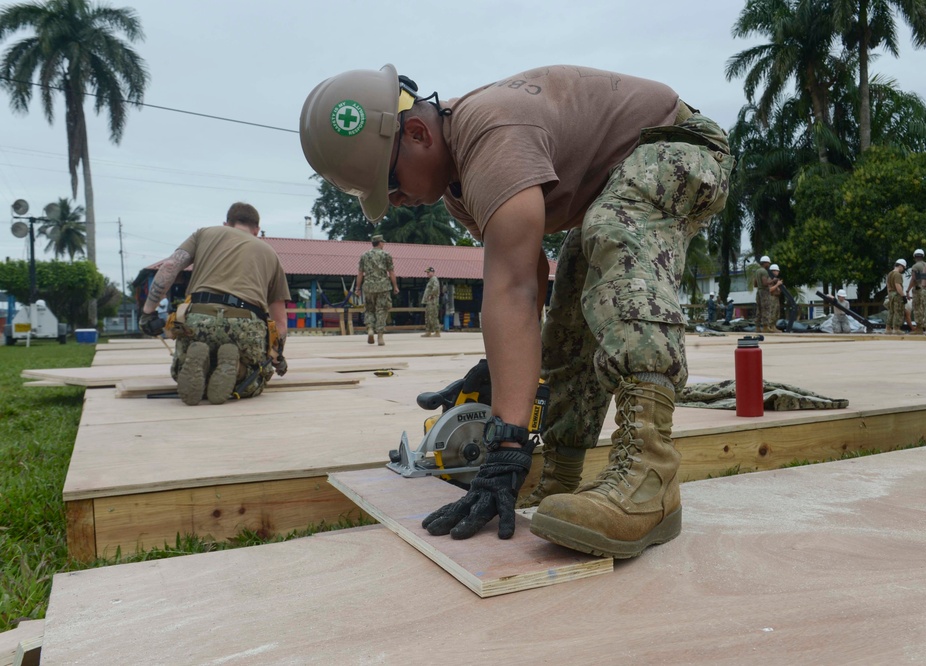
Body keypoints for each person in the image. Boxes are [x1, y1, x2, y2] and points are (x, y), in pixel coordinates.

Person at [300, 64, 733, 559]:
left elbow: (515, 290)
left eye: (391, 182)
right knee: (572, 309)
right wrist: (504, 373)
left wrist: (507, 444)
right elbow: (527, 280)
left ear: (418, 132)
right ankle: (561, 475)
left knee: (616, 234)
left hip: (681, 146)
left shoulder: (491, 135)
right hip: (620, 174)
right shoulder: (460, 187)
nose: (396, 201)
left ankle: (649, 475)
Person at [138, 203, 290, 406]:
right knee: (256, 378)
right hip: (245, 323)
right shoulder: (270, 254)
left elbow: (170, 265)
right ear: (257, 230)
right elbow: (280, 323)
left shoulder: (204, 234)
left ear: (226, 223)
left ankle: (199, 362)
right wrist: (277, 358)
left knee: (180, 371)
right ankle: (237, 370)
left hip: (198, 318)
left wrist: (148, 313)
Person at [357, 234, 399, 346]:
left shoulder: (364, 255)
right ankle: (380, 336)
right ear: (380, 243)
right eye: (383, 242)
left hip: (369, 287)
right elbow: (391, 272)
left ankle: (370, 329)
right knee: (382, 310)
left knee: (369, 309)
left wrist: (357, 288)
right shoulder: (386, 255)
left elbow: (360, 273)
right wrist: (395, 286)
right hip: (383, 287)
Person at [906, 248, 926, 334]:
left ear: (914, 257)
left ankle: (919, 328)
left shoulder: (915, 266)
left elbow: (913, 279)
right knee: (925, 308)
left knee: (917, 308)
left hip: (918, 289)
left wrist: (908, 290)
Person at [885, 259, 907, 335]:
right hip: (897, 294)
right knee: (898, 311)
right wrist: (903, 296)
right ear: (900, 266)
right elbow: (898, 286)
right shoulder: (897, 274)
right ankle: (896, 328)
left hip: (890, 293)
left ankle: (888, 328)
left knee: (891, 311)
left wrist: (889, 295)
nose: (903, 269)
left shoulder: (890, 273)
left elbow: (888, 286)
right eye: (903, 268)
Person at [754, 256, 774, 333]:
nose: (769, 265)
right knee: (766, 308)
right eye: (768, 263)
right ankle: (765, 327)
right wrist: (773, 281)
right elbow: (765, 283)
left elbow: (755, 284)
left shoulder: (757, 271)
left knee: (759, 309)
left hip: (758, 291)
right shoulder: (764, 271)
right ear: (765, 263)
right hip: (764, 292)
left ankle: (757, 327)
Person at [421, 266, 441, 337]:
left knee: (433, 316)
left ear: (432, 272)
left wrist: (431, 295)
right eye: (427, 272)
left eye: (428, 272)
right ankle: (428, 331)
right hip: (429, 302)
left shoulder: (434, 279)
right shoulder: (431, 280)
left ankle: (437, 331)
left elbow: (436, 287)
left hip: (433, 302)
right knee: (427, 316)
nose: (427, 274)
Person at [767, 263, 784, 332]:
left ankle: (773, 327)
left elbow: (777, 290)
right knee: (771, 312)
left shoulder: (776, 280)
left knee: (776, 313)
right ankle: (768, 327)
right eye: (777, 271)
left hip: (776, 298)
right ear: (773, 271)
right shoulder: (770, 279)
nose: (778, 272)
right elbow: (770, 290)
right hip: (771, 298)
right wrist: (777, 284)